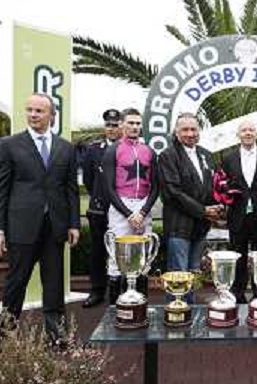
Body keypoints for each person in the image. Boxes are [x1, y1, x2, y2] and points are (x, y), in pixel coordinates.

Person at [0, 93, 80, 344]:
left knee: (53, 283)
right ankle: (7, 334)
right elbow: (0, 190)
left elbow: (70, 189)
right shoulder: (8, 145)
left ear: (52, 115)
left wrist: (73, 223)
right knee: (16, 281)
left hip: (55, 227)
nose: (33, 115)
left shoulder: (66, 148)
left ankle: (57, 335)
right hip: (21, 227)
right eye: (29, 110)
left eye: (39, 111)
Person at [102, 108, 159, 304]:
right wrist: (128, 213)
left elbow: (156, 186)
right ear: (122, 125)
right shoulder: (113, 150)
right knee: (117, 259)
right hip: (121, 205)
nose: (134, 127)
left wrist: (143, 211)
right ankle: (113, 308)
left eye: (137, 123)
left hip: (143, 205)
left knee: (144, 257)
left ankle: (141, 303)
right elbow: (108, 188)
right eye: (131, 123)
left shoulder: (149, 151)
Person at [159, 113, 223, 284]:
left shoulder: (206, 155)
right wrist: (203, 211)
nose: (190, 133)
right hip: (179, 227)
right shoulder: (168, 155)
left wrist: (219, 207)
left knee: (194, 274)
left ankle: (192, 310)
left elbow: (214, 186)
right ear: (177, 132)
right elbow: (173, 192)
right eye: (185, 129)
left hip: (201, 227)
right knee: (179, 277)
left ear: (199, 131)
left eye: (193, 129)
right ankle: (178, 310)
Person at [221, 120, 257, 303]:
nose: (248, 133)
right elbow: (222, 184)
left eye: (251, 129)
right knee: (237, 256)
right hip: (237, 215)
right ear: (238, 135)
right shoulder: (228, 158)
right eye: (244, 130)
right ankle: (237, 294)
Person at [81, 109, 122, 308]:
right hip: (100, 209)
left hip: (122, 210)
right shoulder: (94, 149)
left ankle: (122, 290)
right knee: (98, 251)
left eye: (115, 125)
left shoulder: (127, 148)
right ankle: (97, 291)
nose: (111, 129)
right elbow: (89, 179)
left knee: (122, 251)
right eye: (108, 125)